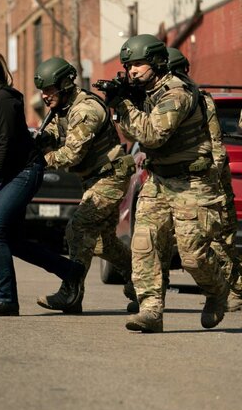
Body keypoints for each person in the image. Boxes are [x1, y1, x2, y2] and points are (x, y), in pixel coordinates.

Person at [109, 34, 228, 333]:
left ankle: (217, 290)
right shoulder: (146, 92)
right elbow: (135, 136)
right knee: (144, 244)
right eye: (128, 66)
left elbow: (152, 135)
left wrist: (123, 107)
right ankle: (150, 310)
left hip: (192, 183)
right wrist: (123, 104)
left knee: (192, 256)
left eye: (138, 64)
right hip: (159, 180)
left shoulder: (177, 92)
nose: (132, 71)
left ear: (157, 62)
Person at [0, 46, 85, 316]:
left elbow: (7, 144)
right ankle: (71, 271)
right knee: (12, 241)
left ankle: (7, 300)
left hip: (25, 170)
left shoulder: (5, 98)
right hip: (5, 172)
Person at [32, 57, 136, 313]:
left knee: (78, 228)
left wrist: (39, 160)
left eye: (49, 90)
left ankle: (71, 293)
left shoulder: (86, 109)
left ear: (66, 84)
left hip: (110, 176)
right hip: (94, 178)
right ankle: (143, 278)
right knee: (102, 243)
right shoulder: (63, 108)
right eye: (42, 91)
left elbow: (72, 154)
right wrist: (42, 139)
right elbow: (56, 133)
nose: (45, 96)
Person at [166, 47, 242, 312]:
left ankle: (236, 289)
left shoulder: (201, 101)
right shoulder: (167, 98)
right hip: (182, 181)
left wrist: (213, 177)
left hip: (209, 179)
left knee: (222, 239)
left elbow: (216, 145)